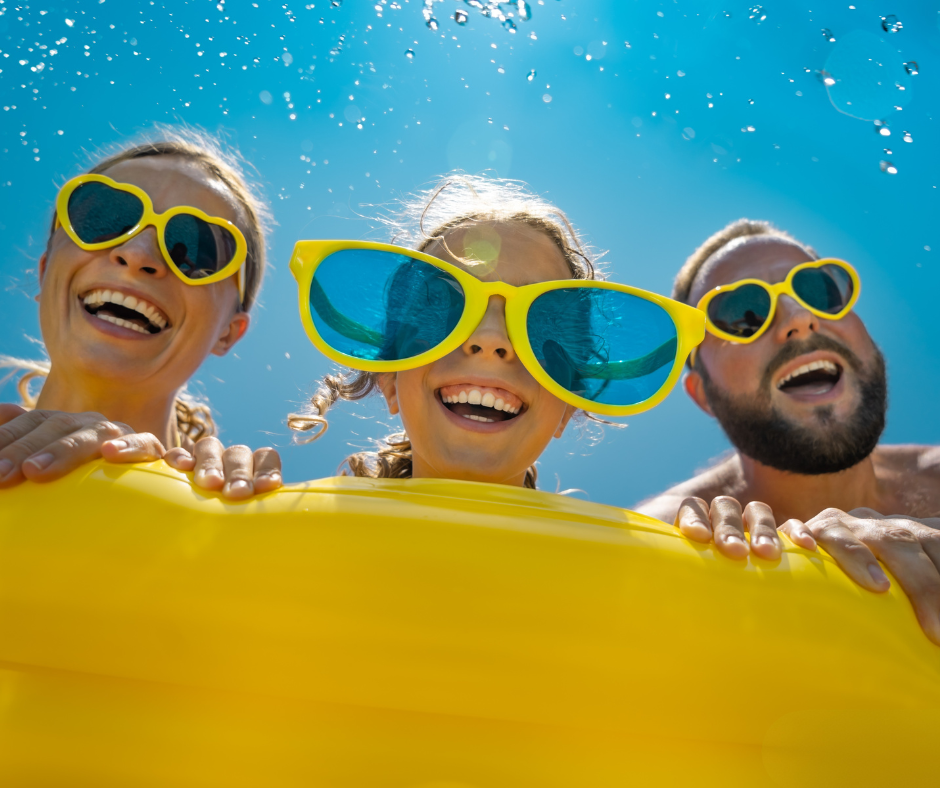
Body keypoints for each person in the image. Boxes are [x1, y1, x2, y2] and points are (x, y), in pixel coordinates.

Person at [287, 175, 702, 489]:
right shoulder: (290, 540)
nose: (491, 340)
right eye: (442, 312)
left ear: (567, 406)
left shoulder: (622, 578)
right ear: (390, 380)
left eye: (543, 325)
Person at [635, 219, 940, 642]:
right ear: (702, 392)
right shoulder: (673, 534)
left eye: (820, 291)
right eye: (743, 315)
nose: (799, 319)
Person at [0, 130, 281, 498]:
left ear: (228, 332)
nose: (138, 254)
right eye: (103, 217)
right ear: (45, 270)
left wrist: (237, 520)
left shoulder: (231, 511)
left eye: (195, 248)